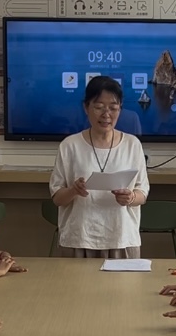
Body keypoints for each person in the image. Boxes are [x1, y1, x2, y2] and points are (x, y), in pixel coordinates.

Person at [49, 75, 150, 259]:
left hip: (122, 238)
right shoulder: (69, 145)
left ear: (120, 109)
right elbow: (57, 198)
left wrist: (130, 197)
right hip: (79, 238)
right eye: (99, 107)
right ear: (86, 107)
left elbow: (142, 193)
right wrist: (73, 190)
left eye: (113, 107)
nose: (106, 114)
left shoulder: (132, 144)